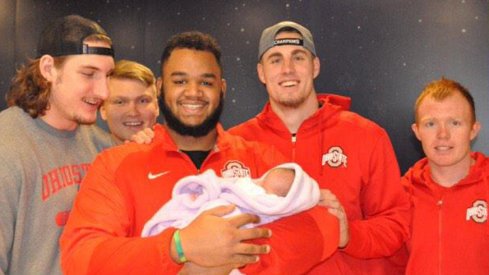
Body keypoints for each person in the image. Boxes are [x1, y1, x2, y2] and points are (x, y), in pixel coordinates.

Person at [60, 31, 339, 275]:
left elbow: (323, 224)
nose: (193, 92)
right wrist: (178, 247)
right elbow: (81, 259)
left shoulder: (259, 157)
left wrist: (227, 263)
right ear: (160, 87)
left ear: (222, 88)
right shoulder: (116, 164)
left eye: (206, 82)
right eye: (180, 81)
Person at [228, 20, 411, 274]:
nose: (288, 69)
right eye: (276, 59)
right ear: (261, 72)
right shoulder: (233, 144)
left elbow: (396, 224)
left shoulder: (366, 136)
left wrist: (348, 234)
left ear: (315, 66)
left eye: (298, 57)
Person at [0, 15, 115, 275]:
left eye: (108, 75)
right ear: (49, 69)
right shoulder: (6, 147)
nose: (104, 92)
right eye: (89, 74)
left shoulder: (103, 145)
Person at [402, 78, 489, 275]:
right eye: (431, 124)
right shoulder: (400, 195)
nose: (443, 135)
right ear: (417, 131)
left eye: (455, 123)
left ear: (473, 130)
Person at [141, 162, 320, 236]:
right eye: (262, 182)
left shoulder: (256, 151)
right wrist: (204, 194)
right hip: (182, 234)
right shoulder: (241, 184)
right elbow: (221, 185)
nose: (259, 188)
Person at [100, 59, 159, 144]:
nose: (133, 113)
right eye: (120, 102)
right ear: (103, 111)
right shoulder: (88, 155)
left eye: (143, 101)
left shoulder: (178, 155)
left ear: (157, 107)